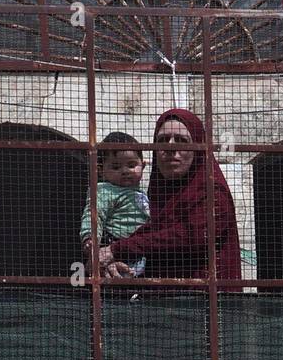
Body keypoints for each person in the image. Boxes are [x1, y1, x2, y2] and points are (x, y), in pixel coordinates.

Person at [99, 109, 241, 280]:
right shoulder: (161, 193)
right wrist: (111, 257)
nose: (171, 147)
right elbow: (151, 231)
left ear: (197, 148)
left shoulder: (213, 192)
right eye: (163, 140)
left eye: (181, 140)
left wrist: (117, 250)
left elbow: (189, 236)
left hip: (206, 299)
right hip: (160, 299)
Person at [81, 131, 150, 277]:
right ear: (101, 170)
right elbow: (94, 213)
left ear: (142, 166)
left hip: (136, 247)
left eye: (131, 165)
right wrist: (91, 237)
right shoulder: (104, 190)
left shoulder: (141, 193)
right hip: (113, 241)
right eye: (116, 167)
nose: (125, 171)